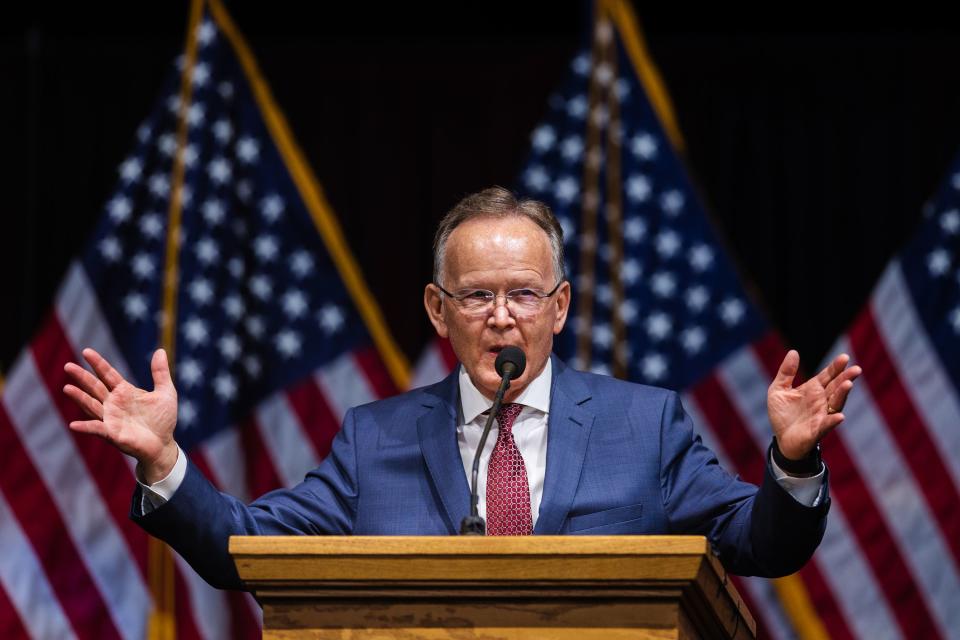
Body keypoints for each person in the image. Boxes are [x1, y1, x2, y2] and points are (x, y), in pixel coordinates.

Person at [63, 187, 861, 591]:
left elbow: (762, 545)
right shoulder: (376, 439)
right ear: (438, 311)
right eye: (478, 296)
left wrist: (791, 463)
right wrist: (164, 459)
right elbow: (242, 549)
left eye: (523, 294)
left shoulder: (644, 425)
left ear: (561, 307)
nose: (502, 319)